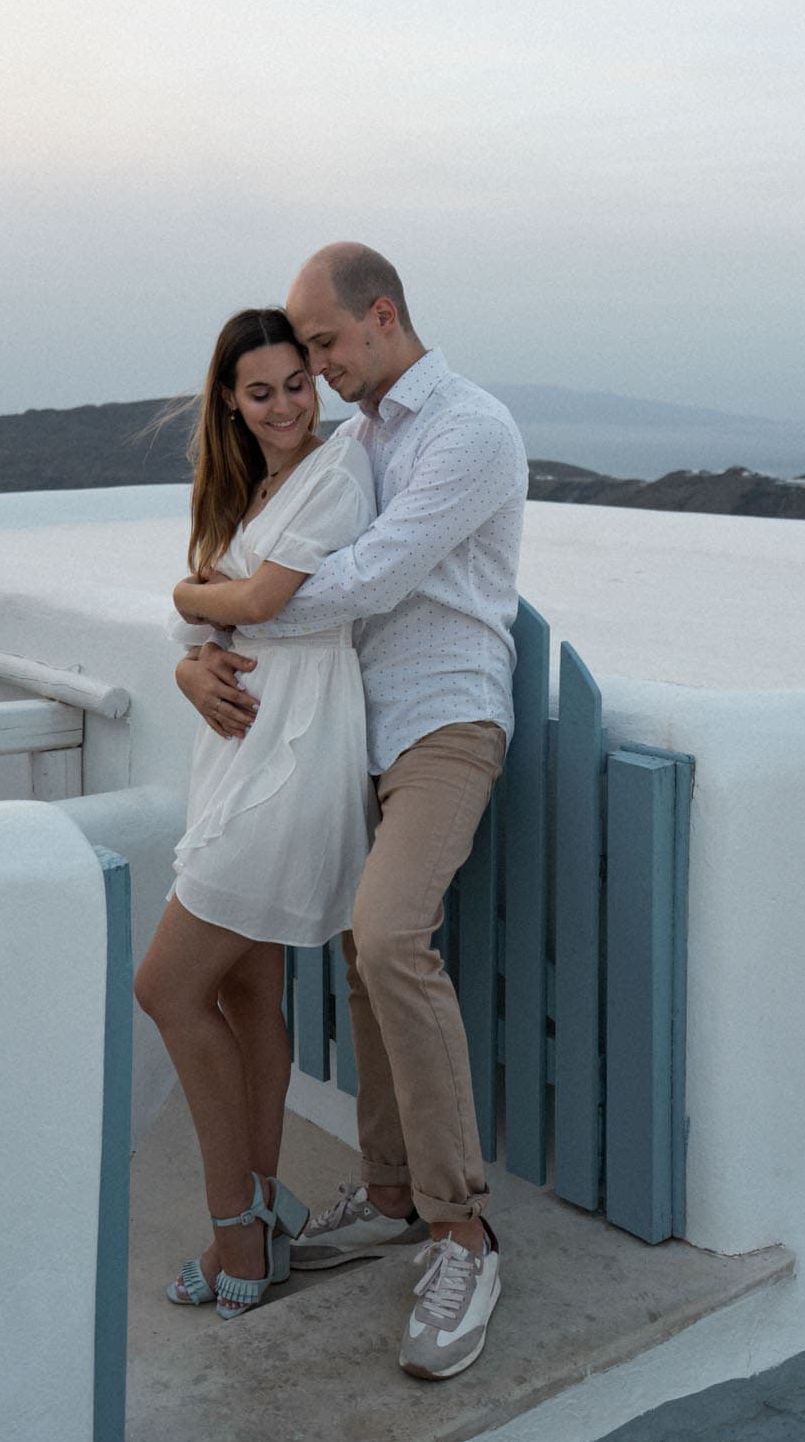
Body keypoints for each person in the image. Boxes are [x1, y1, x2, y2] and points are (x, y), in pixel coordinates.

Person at [176, 244, 526, 1379]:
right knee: (356, 955)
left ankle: (462, 1231)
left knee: (387, 936)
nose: (313, 370)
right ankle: (388, 1191)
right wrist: (197, 648)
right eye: (298, 356)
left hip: (442, 722)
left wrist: (208, 610)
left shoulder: (466, 429)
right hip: (353, 739)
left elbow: (364, 581)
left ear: (383, 316)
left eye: (323, 344)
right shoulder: (360, 438)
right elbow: (268, 559)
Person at [133, 306, 377, 1321]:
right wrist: (192, 661)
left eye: (296, 382)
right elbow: (216, 622)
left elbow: (265, 600)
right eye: (262, 390)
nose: (285, 404)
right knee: (243, 997)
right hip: (237, 753)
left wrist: (189, 597)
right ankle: (267, 1217)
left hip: (296, 761)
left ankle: (234, 1221)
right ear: (230, 401)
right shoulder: (249, 493)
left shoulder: (337, 472)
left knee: (165, 986)